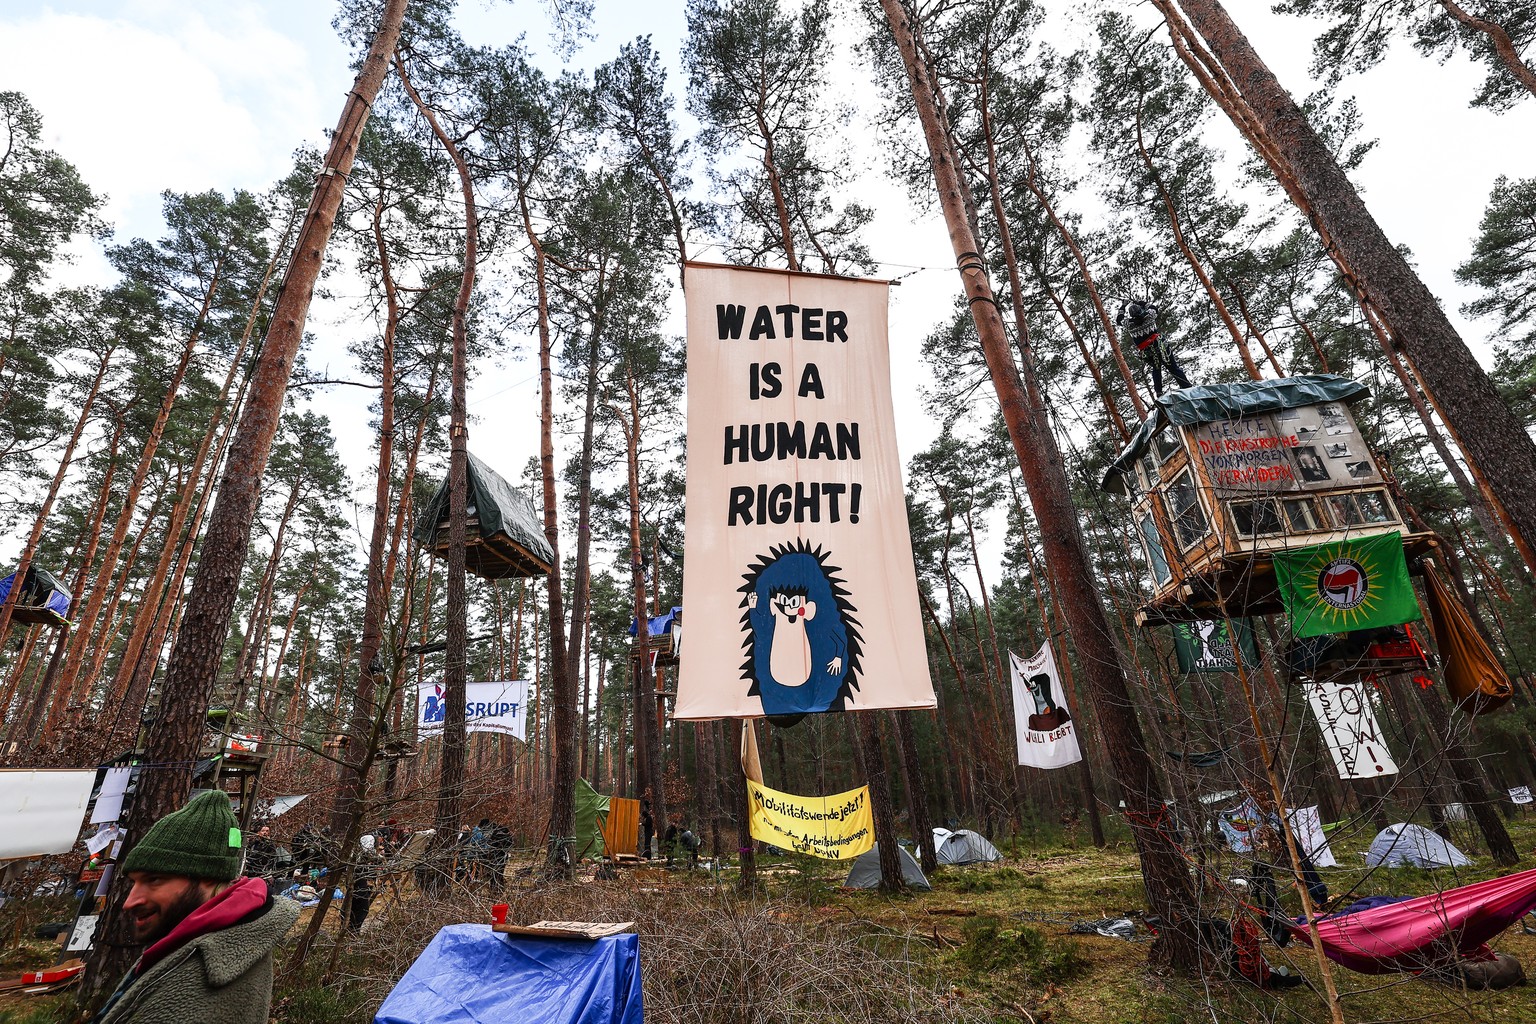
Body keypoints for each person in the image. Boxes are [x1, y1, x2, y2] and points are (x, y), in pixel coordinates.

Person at [90, 791, 299, 1024]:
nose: (129, 902)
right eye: (134, 882)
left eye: (154, 880)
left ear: (209, 877)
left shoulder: (206, 979)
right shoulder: (204, 941)